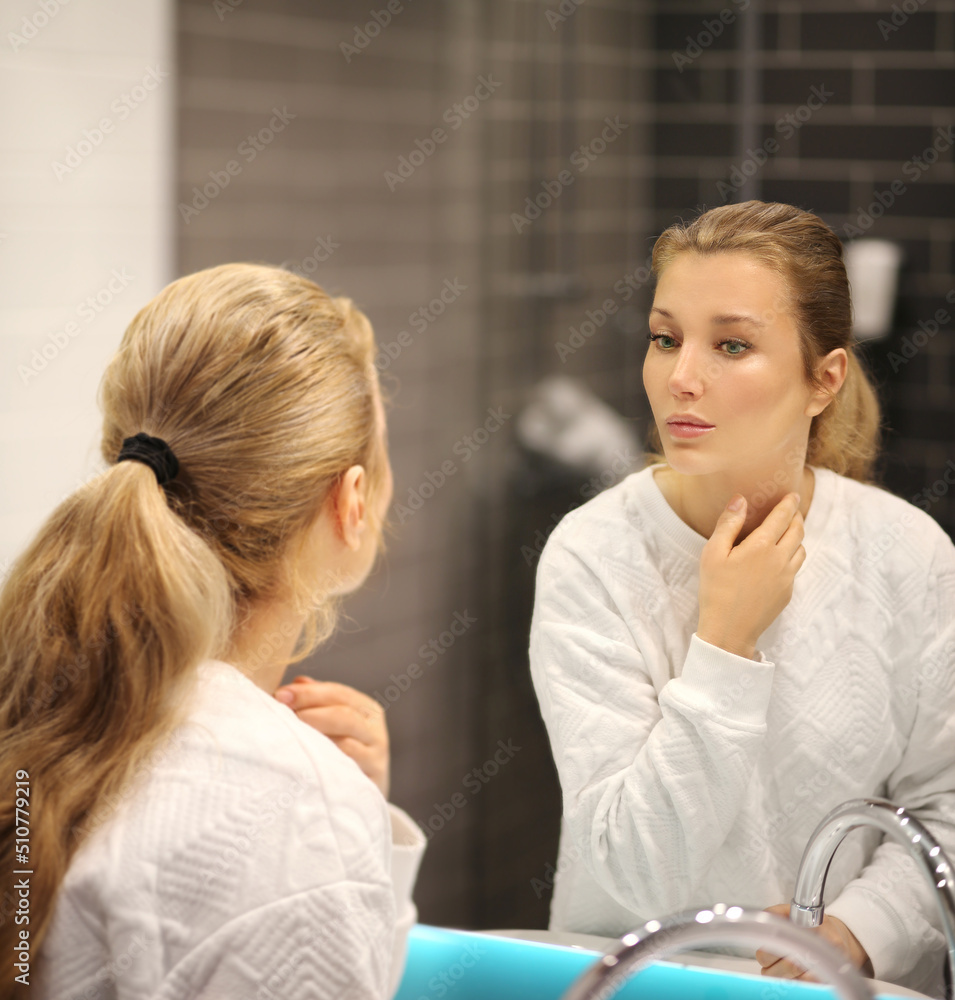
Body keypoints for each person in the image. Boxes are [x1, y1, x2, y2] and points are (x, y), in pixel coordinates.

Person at [529, 201, 955, 998]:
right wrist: (724, 643)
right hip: (644, 984)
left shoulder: (909, 555)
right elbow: (632, 867)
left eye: (731, 345)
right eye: (665, 338)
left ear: (823, 379)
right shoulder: (592, 555)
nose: (680, 377)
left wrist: (856, 931)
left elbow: (944, 802)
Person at [0, 263, 426, 999]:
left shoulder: (38, 692)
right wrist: (325, 815)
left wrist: (349, 817)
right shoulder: (291, 811)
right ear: (351, 503)